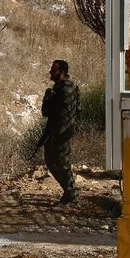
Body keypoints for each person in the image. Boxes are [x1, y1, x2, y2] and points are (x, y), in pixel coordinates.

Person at [40, 59, 81, 205]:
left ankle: (71, 194)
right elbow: (78, 109)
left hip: (60, 132)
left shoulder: (62, 89)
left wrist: (48, 98)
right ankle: (70, 192)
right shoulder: (70, 87)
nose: (51, 72)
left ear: (62, 72)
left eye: (54, 69)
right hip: (62, 131)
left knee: (60, 163)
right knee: (55, 161)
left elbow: (47, 112)